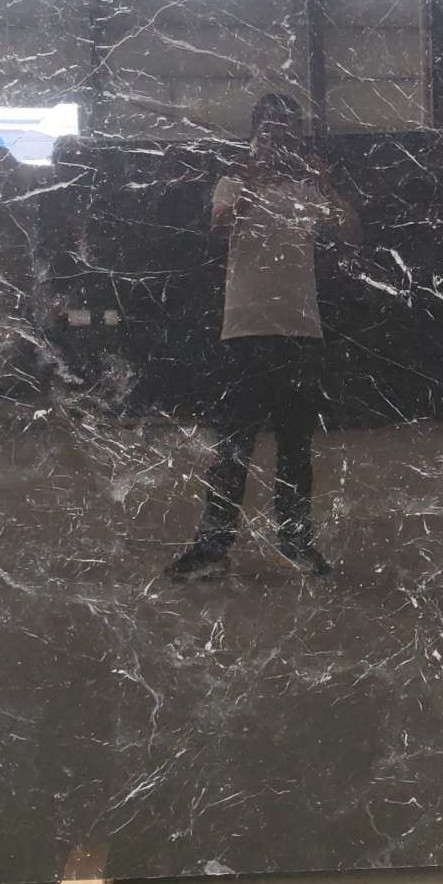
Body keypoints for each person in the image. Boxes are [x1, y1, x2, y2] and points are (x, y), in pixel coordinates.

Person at [168, 92, 360, 581]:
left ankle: (296, 545)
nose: (279, 139)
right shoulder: (233, 181)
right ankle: (212, 550)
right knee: (233, 445)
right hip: (245, 330)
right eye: (271, 130)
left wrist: (324, 184)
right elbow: (219, 227)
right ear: (256, 134)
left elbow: (351, 232)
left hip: (300, 330)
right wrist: (255, 179)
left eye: (287, 130)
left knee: (296, 447)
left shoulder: (307, 189)